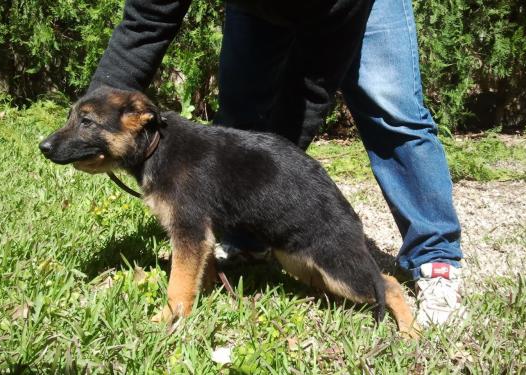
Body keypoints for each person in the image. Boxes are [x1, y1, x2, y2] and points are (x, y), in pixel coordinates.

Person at [88, 0, 465, 327]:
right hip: (257, 9)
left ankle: (435, 256)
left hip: (341, 6)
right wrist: (92, 124)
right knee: (239, 113)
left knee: (392, 112)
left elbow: (311, 86)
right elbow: (143, 26)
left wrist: (276, 175)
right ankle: (247, 239)